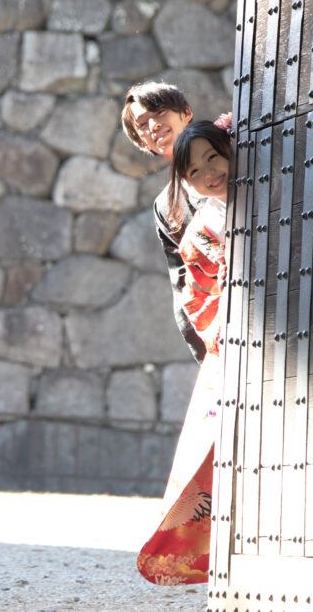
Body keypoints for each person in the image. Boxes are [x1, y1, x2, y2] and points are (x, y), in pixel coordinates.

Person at [136, 116, 233, 586]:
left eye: (214, 157)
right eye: (195, 172)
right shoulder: (201, 228)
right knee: (212, 458)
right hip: (232, 344)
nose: (208, 173)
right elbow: (196, 296)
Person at [120, 82, 205, 362]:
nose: (153, 125)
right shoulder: (166, 205)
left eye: (159, 112)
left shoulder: (236, 151)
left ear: (186, 112)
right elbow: (183, 282)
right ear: (142, 142)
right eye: (143, 124)